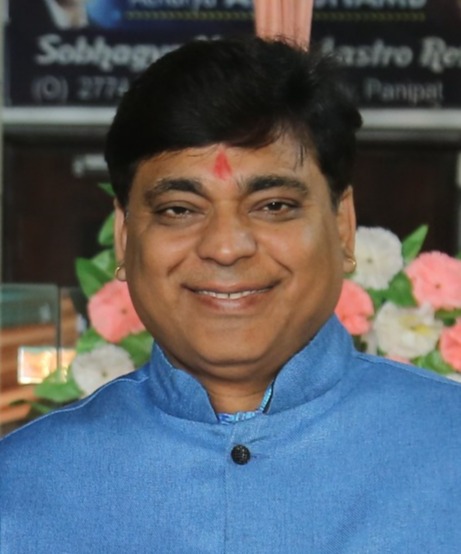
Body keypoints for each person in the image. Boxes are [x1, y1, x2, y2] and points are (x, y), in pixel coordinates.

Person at [1, 37, 461, 553]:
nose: (225, 247)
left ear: (343, 227)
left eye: (273, 206)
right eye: (179, 209)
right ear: (126, 239)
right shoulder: (19, 490)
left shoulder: (450, 450)